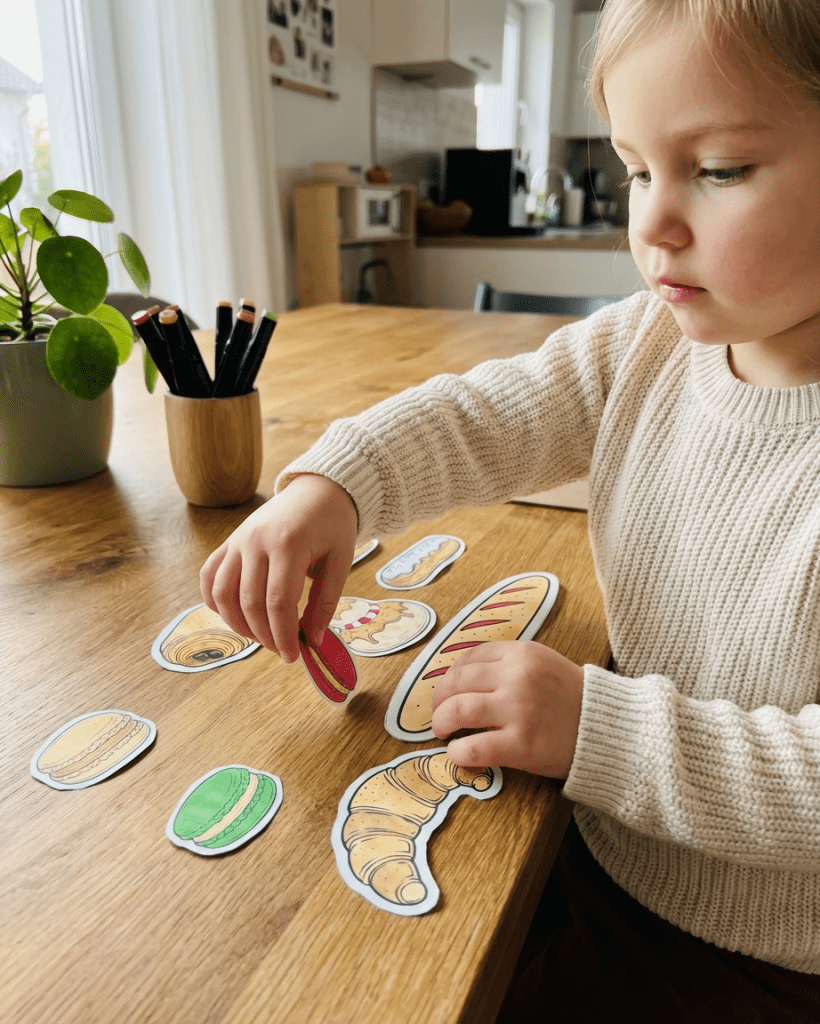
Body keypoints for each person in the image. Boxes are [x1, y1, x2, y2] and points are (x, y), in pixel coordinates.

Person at [201, 0, 820, 1017]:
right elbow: (486, 412)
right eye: (634, 168)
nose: (653, 223)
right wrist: (335, 486)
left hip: (759, 962)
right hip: (600, 845)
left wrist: (597, 730)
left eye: (718, 170)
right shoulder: (648, 344)